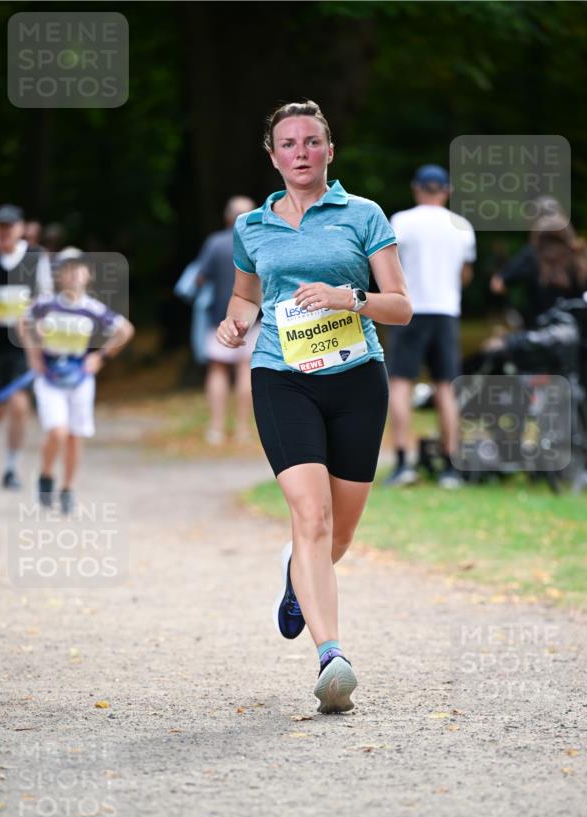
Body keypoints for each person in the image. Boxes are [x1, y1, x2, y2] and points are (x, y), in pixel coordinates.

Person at [217, 100, 411, 713]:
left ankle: (295, 571)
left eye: (311, 142)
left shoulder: (364, 215)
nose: (300, 152)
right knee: (312, 516)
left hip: (357, 379)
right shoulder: (251, 227)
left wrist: (347, 296)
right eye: (288, 143)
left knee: (339, 534)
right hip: (282, 378)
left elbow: (401, 305)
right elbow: (247, 295)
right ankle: (332, 659)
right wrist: (234, 322)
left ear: (330, 151)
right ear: (272, 156)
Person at [490, 214, 587, 489]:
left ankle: (546, 457)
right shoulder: (586, 261)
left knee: (546, 394)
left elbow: (498, 283)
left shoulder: (534, 262)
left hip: (550, 344)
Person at [21, 247, 134, 513]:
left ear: (88, 274)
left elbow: (125, 331)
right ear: (59, 274)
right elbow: (23, 324)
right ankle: (46, 474)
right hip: (50, 378)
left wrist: (100, 358)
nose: (72, 275)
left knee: (74, 435)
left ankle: (68, 488)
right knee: (57, 431)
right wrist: (34, 356)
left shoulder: (92, 309)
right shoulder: (46, 304)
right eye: (67, 269)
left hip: (80, 379)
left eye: (78, 269)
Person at [385, 165, 475, 489]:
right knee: (446, 387)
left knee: (400, 384)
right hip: (446, 311)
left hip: (410, 309)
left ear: (416, 188)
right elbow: (465, 274)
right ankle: (451, 467)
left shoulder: (402, 221)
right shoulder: (462, 226)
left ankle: (402, 462)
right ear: (447, 190)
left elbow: (389, 265)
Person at [0, 204, 52, 487]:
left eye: (10, 226)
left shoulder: (35, 258)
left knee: (20, 405)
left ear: (21, 228)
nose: (5, 231)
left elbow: (45, 297)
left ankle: (11, 468)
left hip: (23, 344)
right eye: (1, 226)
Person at [194, 196, 259, 445]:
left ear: (227, 217)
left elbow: (199, 279)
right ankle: (243, 430)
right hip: (254, 317)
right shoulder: (257, 241)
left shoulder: (215, 243)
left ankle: (217, 429)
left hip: (219, 318)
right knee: (246, 370)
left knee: (218, 369)